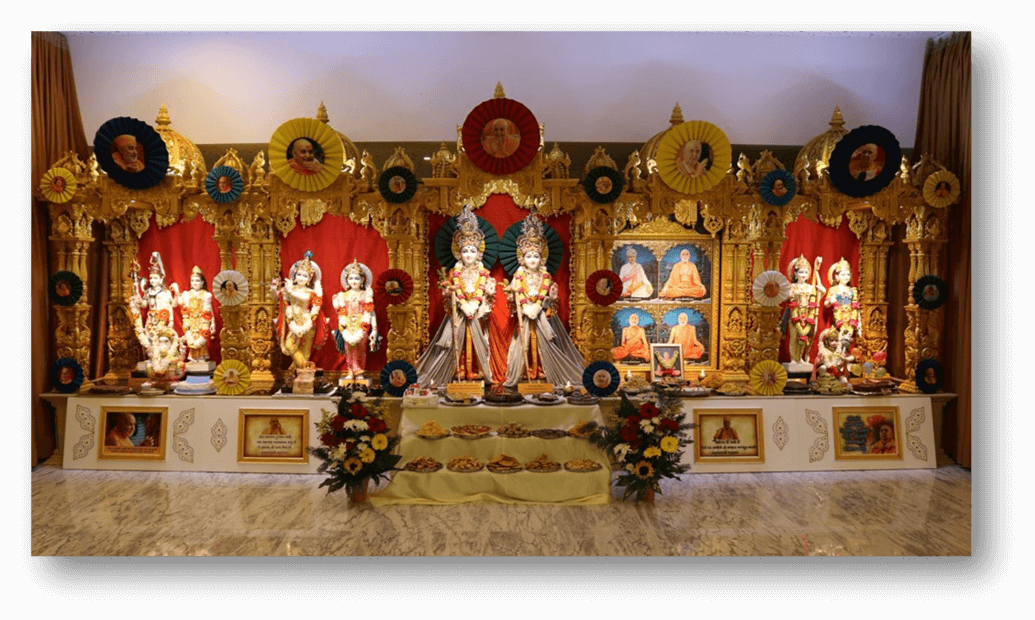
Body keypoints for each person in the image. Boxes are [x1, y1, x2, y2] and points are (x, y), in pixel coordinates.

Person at [415, 206, 497, 385]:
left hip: (477, 311)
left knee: (476, 340)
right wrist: (450, 292)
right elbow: (449, 291)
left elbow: (486, 291)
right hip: (459, 311)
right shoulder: (454, 271)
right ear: (458, 253)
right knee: (456, 339)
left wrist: (479, 301)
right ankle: (458, 369)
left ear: (479, 253)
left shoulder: (484, 272)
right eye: (465, 251)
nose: (469, 255)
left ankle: (475, 370)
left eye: (473, 251)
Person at [503, 212, 585, 387]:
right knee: (523, 344)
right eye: (528, 256)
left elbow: (551, 301)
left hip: (542, 314)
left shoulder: (545, 276)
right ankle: (525, 371)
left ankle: (542, 370)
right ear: (522, 258)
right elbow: (512, 298)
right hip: (524, 315)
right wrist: (512, 297)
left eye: (536, 256)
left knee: (545, 342)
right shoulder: (518, 276)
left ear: (542, 258)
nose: (532, 260)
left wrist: (550, 300)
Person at [274, 250, 327, 370]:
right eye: (299, 274)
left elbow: (307, 299)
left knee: (305, 350)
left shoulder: (310, 292)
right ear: (294, 275)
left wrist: (291, 291)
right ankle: (306, 368)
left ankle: (301, 374)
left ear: (309, 280)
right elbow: (283, 301)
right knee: (289, 345)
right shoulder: (289, 289)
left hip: (307, 321)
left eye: (305, 276)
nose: (301, 278)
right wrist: (275, 290)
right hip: (293, 321)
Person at [332, 260, 379, 380]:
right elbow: (339, 311)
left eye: (357, 278)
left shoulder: (365, 295)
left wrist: (374, 329)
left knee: (360, 348)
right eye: (351, 278)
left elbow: (371, 312)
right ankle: (350, 371)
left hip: (362, 325)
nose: (353, 281)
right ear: (346, 280)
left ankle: (359, 372)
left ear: (362, 280)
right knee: (349, 349)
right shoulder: (342, 296)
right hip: (347, 325)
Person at [130, 251, 180, 358]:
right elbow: (144, 305)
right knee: (149, 339)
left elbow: (172, 306)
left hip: (162, 319)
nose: (153, 280)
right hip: (150, 320)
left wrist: (171, 320)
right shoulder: (148, 291)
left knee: (161, 339)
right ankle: (152, 358)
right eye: (151, 278)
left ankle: (162, 358)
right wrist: (139, 300)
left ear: (161, 279)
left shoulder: (166, 292)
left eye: (155, 278)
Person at [783, 255, 825, 367]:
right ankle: (793, 359)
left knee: (804, 337)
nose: (803, 275)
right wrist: (790, 295)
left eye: (806, 272)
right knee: (794, 337)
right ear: (795, 274)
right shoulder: (792, 286)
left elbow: (816, 298)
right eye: (801, 272)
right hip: (794, 313)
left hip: (807, 314)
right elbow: (785, 298)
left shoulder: (810, 288)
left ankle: (800, 358)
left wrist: (820, 290)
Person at [177, 266, 215, 363]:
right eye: (192, 280)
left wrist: (212, 323)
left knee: (201, 337)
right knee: (192, 336)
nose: (194, 283)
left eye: (197, 281)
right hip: (191, 320)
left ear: (202, 283)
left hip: (202, 320)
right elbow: (182, 306)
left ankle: (202, 357)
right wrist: (177, 292)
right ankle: (193, 357)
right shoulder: (187, 294)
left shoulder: (206, 295)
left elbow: (210, 311)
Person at [824, 258, 862, 345]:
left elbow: (856, 307)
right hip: (837, 320)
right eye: (843, 274)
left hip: (850, 321)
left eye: (848, 274)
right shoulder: (834, 289)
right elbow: (826, 304)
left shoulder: (853, 290)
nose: (846, 277)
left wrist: (859, 322)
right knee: (836, 342)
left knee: (848, 342)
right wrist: (831, 302)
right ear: (837, 276)